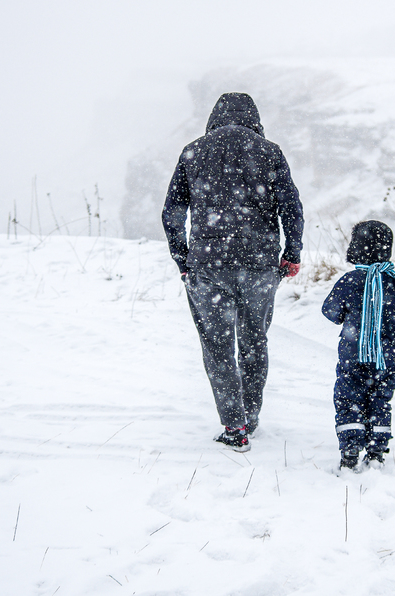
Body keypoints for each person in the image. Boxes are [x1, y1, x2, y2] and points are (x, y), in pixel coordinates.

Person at [162, 92, 304, 453]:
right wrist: (292, 253)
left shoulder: (193, 151)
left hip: (208, 263)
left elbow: (172, 212)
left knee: (217, 346)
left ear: (214, 117)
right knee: (254, 340)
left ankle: (234, 425)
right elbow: (292, 208)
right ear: (254, 117)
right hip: (259, 263)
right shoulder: (270, 151)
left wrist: (183, 259)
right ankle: (251, 416)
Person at [321, 221, 395, 469]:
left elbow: (330, 312)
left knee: (349, 398)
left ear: (356, 248)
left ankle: (350, 451)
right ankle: (376, 452)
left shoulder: (350, 281)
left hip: (354, 356)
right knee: (380, 400)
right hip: (387, 358)